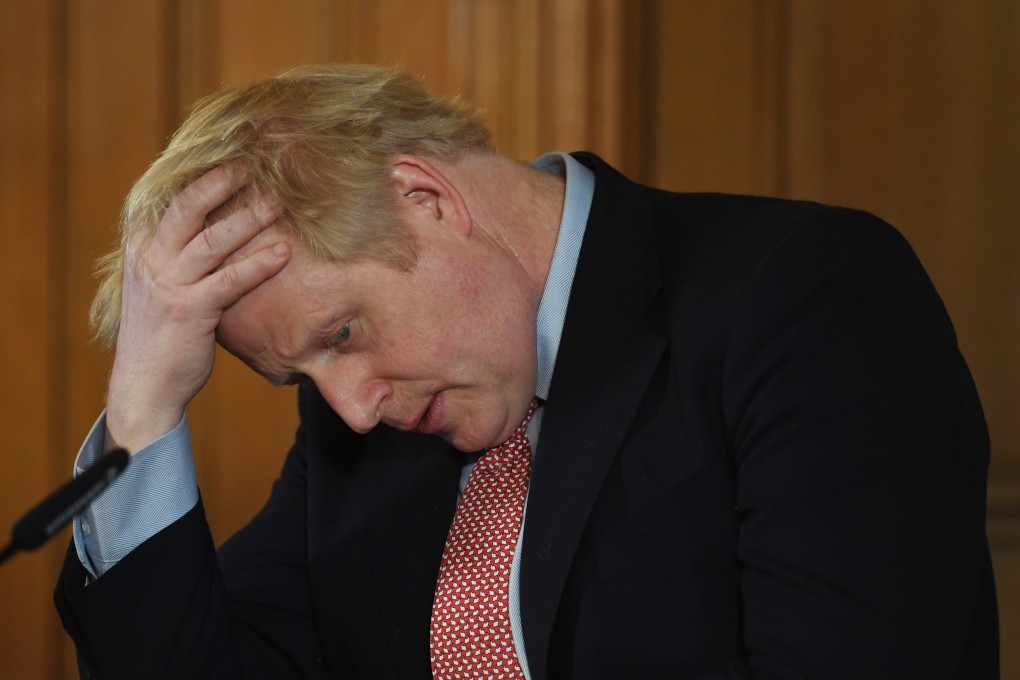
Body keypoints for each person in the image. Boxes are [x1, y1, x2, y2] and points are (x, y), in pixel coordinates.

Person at [54, 64, 997, 679]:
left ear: (426, 198)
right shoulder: (365, 426)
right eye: (300, 379)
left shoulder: (802, 297)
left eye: (340, 333)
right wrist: (143, 409)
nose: (348, 408)